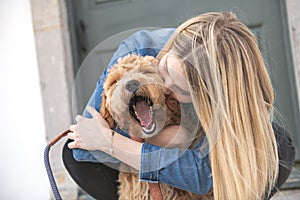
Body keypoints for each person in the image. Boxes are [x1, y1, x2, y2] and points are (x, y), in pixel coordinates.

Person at [63, 12, 295, 200]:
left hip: (203, 169)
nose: (165, 87)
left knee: (278, 145)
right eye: (165, 69)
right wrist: (162, 138)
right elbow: (86, 147)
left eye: (182, 90)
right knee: (72, 154)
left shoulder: (235, 97)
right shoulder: (138, 49)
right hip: (144, 170)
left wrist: (112, 142)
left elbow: (204, 177)